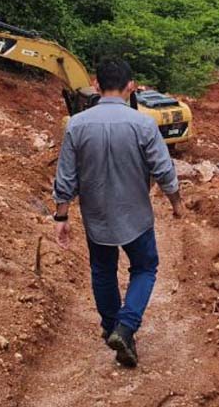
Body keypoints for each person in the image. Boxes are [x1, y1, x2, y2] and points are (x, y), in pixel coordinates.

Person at [51, 58, 183, 368]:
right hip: (136, 216)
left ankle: (112, 326)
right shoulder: (144, 125)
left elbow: (66, 176)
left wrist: (61, 216)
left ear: (96, 85)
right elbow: (163, 169)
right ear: (131, 87)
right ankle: (125, 327)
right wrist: (176, 203)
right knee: (145, 267)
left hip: (96, 216)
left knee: (102, 270)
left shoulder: (77, 125)